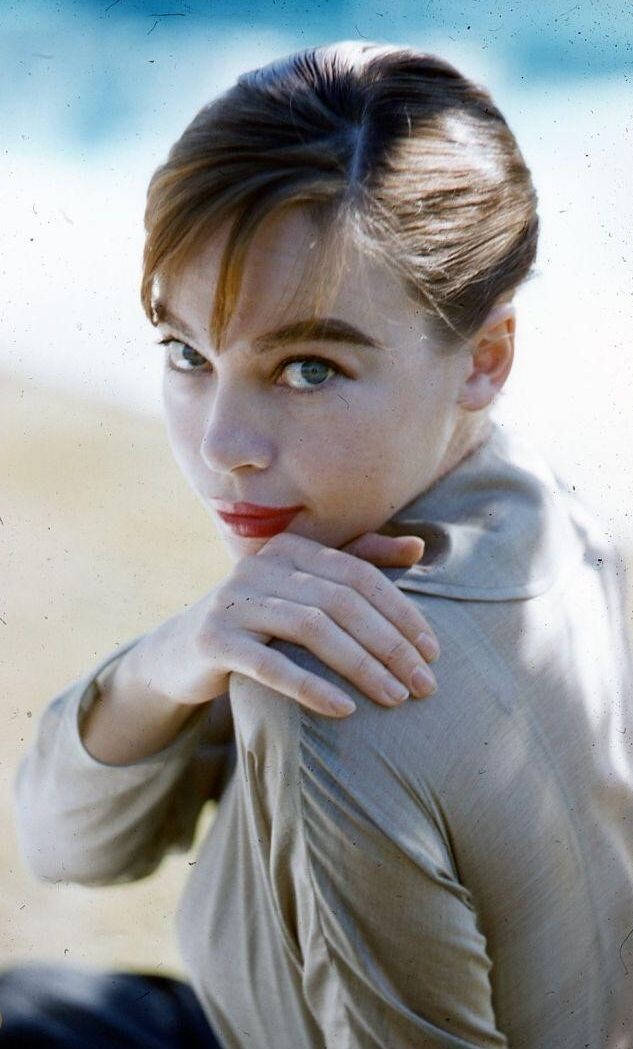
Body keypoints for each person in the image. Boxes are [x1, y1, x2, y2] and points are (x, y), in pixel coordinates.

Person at [3, 39, 633, 1049]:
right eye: (187, 353)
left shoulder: (329, 685)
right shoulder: (566, 524)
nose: (224, 446)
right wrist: (176, 655)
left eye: (307, 368)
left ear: (485, 356)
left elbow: (63, 845)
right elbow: (69, 841)